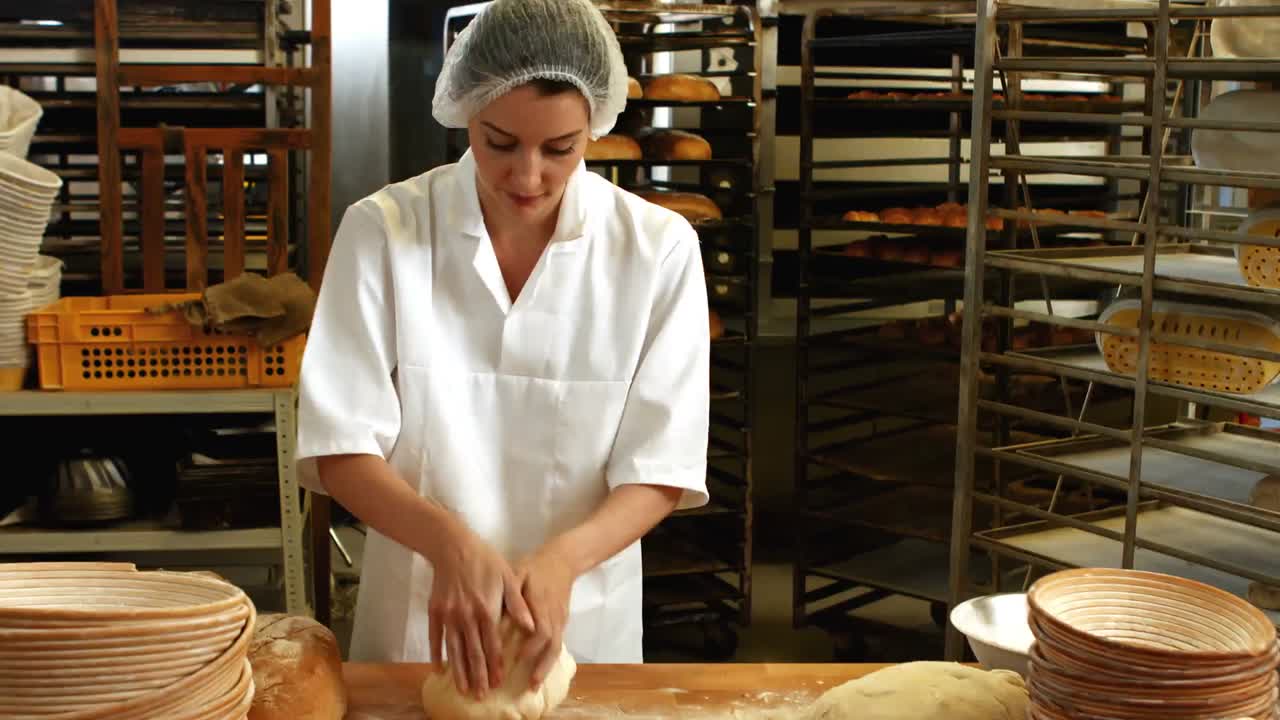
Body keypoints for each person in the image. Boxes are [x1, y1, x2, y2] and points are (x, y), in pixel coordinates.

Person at [294, 0, 711, 703]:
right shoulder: (385, 231)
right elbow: (341, 448)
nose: (527, 177)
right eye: (499, 142)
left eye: (560, 150)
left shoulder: (657, 249)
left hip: (584, 619)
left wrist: (563, 560)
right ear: (465, 115)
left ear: (596, 128)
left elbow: (662, 464)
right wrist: (448, 545)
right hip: (419, 621)